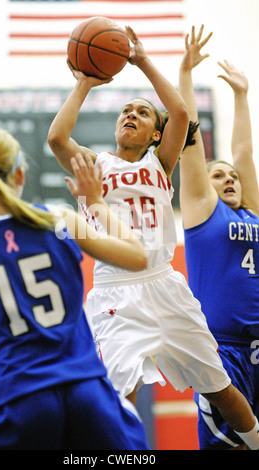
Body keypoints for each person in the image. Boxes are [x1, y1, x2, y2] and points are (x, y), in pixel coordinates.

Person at [48, 25, 259, 450]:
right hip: (115, 291)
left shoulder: (160, 164)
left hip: (164, 283)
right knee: (122, 397)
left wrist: (143, 61)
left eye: (142, 113)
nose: (131, 115)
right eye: (126, 110)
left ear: (156, 136)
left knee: (220, 389)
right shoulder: (95, 165)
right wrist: (86, 83)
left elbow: (181, 114)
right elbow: (56, 138)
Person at [0, 127, 150, 450]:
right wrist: (97, 204)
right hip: (87, 393)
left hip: (20, 397)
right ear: (21, 173)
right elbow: (138, 256)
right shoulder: (60, 219)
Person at [179, 25, 259, 450]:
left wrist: (242, 96)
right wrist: (186, 74)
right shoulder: (203, 212)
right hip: (224, 351)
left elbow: (244, 154)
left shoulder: (253, 212)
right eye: (218, 175)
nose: (229, 177)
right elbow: (191, 144)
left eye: (232, 177)